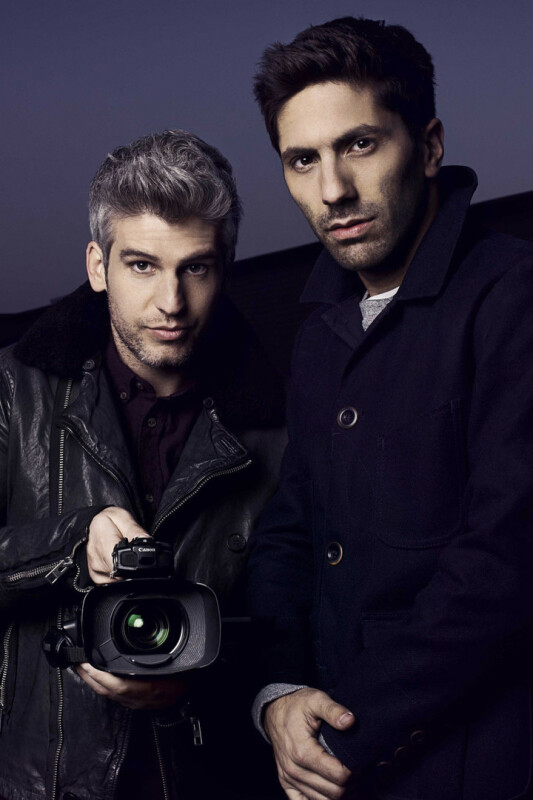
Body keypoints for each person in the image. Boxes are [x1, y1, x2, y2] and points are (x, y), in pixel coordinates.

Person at [247, 16, 533, 800]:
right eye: (302, 160)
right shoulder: (317, 335)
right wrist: (278, 695)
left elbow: (504, 563)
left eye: (360, 144)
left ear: (428, 146)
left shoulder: (512, 296)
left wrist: (340, 735)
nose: (331, 189)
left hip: (470, 767)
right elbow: (290, 532)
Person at [0, 129, 286, 800]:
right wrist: (73, 544)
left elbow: (292, 626)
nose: (171, 303)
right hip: (36, 780)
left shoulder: (278, 428)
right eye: (142, 266)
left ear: (226, 266)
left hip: (203, 777)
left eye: (196, 268)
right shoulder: (13, 391)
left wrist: (196, 678)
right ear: (98, 266)